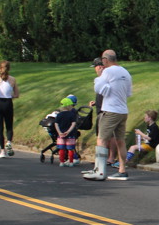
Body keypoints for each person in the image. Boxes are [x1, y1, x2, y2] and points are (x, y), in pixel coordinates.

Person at [84, 50, 133, 182]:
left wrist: (99, 76)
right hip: (122, 110)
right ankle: (122, 170)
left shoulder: (108, 72)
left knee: (101, 139)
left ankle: (99, 171)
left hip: (110, 110)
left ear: (105, 60)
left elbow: (99, 89)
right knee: (120, 141)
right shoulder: (125, 72)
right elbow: (128, 93)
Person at [53, 97, 79, 167]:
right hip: (70, 134)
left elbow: (56, 124)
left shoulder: (59, 115)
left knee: (61, 149)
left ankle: (61, 162)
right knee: (70, 149)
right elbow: (73, 124)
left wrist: (59, 132)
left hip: (61, 135)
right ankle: (71, 162)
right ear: (69, 106)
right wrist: (68, 131)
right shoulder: (72, 114)